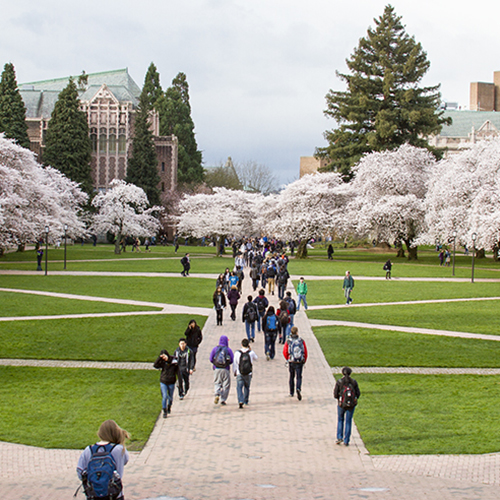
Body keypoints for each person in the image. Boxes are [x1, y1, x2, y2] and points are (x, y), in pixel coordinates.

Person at [76, 420, 130, 499]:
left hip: (93, 495)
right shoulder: (119, 450)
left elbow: (80, 471)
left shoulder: (88, 450)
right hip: (114, 495)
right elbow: (126, 460)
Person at [333, 366, 361, 446]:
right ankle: (346, 440)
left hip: (341, 404)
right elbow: (358, 394)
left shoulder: (339, 382)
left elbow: (335, 394)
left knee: (340, 420)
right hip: (351, 405)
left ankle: (339, 437)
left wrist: (339, 398)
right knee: (348, 421)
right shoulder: (354, 382)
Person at [283, 326, 308, 401]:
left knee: (291, 376)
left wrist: (288, 358)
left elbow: (285, 351)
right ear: (297, 332)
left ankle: (291, 391)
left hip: (292, 361)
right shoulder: (301, 341)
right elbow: (305, 351)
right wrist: (304, 360)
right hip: (299, 361)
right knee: (299, 376)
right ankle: (298, 388)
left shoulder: (289, 341)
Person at [233, 338, 258, 408]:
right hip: (248, 373)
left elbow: (234, 363)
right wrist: (251, 350)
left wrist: (234, 371)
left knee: (239, 387)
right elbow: (256, 358)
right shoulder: (251, 353)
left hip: (239, 372)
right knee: (247, 387)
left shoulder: (237, 353)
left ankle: (240, 400)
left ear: (241, 344)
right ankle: (246, 400)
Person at [153, 349, 178, 417]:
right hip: (163, 381)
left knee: (170, 397)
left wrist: (179, 381)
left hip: (171, 382)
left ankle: (169, 406)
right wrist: (159, 358)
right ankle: (164, 410)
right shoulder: (162, 362)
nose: (164, 358)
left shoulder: (174, 361)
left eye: (165, 356)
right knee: (164, 396)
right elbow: (155, 365)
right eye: (163, 357)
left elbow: (177, 371)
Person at [210, 335, 234, 405]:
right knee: (226, 384)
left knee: (217, 382)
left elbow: (211, 359)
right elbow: (232, 360)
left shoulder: (215, 349)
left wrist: (215, 364)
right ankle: (223, 399)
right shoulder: (228, 350)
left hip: (217, 369)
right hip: (225, 369)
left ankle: (217, 393)